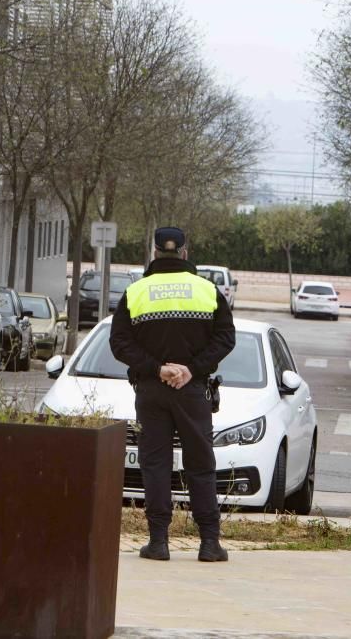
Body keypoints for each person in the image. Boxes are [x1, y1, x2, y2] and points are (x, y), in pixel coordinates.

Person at [110, 226, 236, 562]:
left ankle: (159, 542)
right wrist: (191, 369)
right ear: (184, 251)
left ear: (154, 252)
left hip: (151, 390)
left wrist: (157, 369)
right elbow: (225, 338)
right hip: (192, 391)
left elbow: (119, 343)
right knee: (200, 465)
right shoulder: (207, 291)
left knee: (155, 464)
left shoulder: (136, 292)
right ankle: (209, 543)